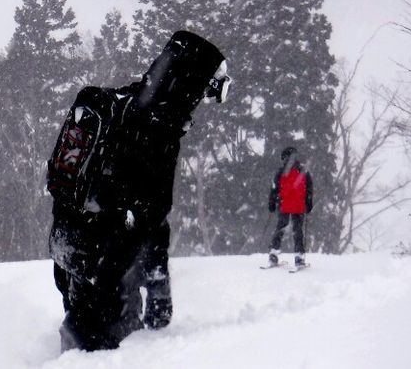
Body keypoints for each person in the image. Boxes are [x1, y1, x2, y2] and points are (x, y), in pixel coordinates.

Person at [47, 30, 229, 351]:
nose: (200, 103)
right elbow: (152, 219)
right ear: (188, 85)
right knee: (99, 351)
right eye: (203, 92)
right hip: (107, 270)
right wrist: (158, 289)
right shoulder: (157, 135)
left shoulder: (114, 104)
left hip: (67, 247)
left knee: (76, 335)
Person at [266, 146, 313, 268]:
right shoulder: (303, 170)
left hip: (284, 205)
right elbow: (309, 188)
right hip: (298, 206)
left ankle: (273, 255)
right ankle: (299, 257)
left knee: (280, 230)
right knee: (298, 232)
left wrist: (271, 203)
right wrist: (309, 203)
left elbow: (274, 188)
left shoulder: (281, 171)